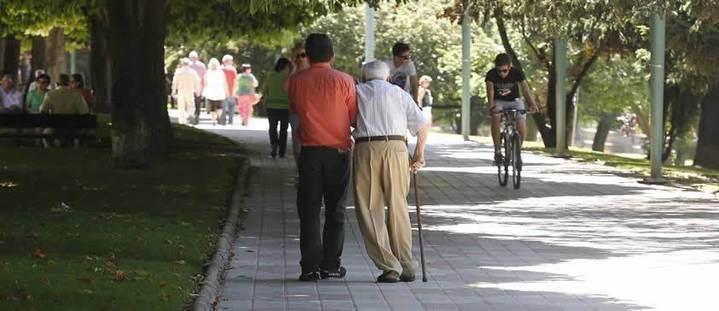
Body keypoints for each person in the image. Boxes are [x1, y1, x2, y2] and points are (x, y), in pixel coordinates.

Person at [287, 33, 357, 282]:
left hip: (310, 153)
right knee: (336, 210)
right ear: (332, 55)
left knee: (309, 210)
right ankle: (331, 264)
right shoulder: (346, 81)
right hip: (338, 152)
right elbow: (352, 117)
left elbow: (295, 109)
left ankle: (309, 267)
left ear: (308, 54)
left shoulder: (296, 81)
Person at [353, 60, 429, 283]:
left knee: (369, 207)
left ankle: (390, 266)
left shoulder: (357, 91)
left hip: (367, 147)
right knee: (398, 206)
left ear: (364, 77)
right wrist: (419, 154)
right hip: (397, 148)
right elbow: (422, 124)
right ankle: (406, 264)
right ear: (386, 77)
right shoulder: (399, 93)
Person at [485, 53, 538, 164]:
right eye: (499, 71)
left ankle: (517, 150)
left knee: (521, 121)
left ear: (509, 67)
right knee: (495, 117)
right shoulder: (491, 74)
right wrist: (491, 107)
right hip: (499, 101)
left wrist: (532, 104)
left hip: (515, 101)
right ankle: (498, 151)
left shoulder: (516, 73)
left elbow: (525, 90)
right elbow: (490, 91)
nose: (502, 74)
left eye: (505, 71)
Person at [39, 74, 90, 147]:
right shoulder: (77, 94)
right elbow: (85, 111)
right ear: (69, 83)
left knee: (46, 134)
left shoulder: (50, 94)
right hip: (73, 128)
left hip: (55, 128)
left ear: (57, 83)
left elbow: (43, 111)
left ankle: (51, 151)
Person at [286, 42, 311, 171]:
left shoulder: (313, 71)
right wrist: (293, 70)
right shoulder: (293, 72)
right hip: (296, 114)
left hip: (312, 114)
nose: (300, 58)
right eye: (297, 55)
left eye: (303, 55)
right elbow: (285, 88)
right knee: (297, 147)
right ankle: (301, 172)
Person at [260, 57, 291, 158]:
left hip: (271, 106)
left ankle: (274, 147)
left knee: (272, 128)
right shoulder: (289, 77)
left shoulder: (271, 75)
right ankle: (282, 152)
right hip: (285, 107)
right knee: (283, 130)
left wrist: (263, 98)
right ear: (286, 66)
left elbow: (264, 90)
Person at [171, 58, 201, 125]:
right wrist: (197, 90)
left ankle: (182, 121)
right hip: (190, 91)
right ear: (189, 64)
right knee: (191, 105)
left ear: (182, 64)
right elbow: (197, 82)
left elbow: (175, 82)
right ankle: (190, 114)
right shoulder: (193, 72)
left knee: (181, 107)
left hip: (181, 91)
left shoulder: (178, 72)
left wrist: (173, 91)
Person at [202, 58, 228, 126]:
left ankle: (213, 120)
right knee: (219, 107)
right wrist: (226, 91)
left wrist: (204, 90)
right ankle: (218, 116)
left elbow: (205, 82)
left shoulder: (207, 72)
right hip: (219, 91)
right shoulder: (221, 72)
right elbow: (224, 83)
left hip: (210, 91)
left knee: (212, 108)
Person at [188, 51, 207, 124]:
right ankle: (197, 117)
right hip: (199, 87)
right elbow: (205, 78)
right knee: (198, 103)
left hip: (190, 87)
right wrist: (204, 87)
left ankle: (191, 116)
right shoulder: (202, 65)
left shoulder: (188, 65)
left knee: (190, 103)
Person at [220, 54, 238, 125]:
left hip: (222, 91)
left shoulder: (219, 69)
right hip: (231, 90)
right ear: (229, 61)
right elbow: (235, 81)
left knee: (223, 106)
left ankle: (222, 121)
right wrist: (235, 91)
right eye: (231, 61)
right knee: (231, 106)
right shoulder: (232, 69)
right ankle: (230, 120)